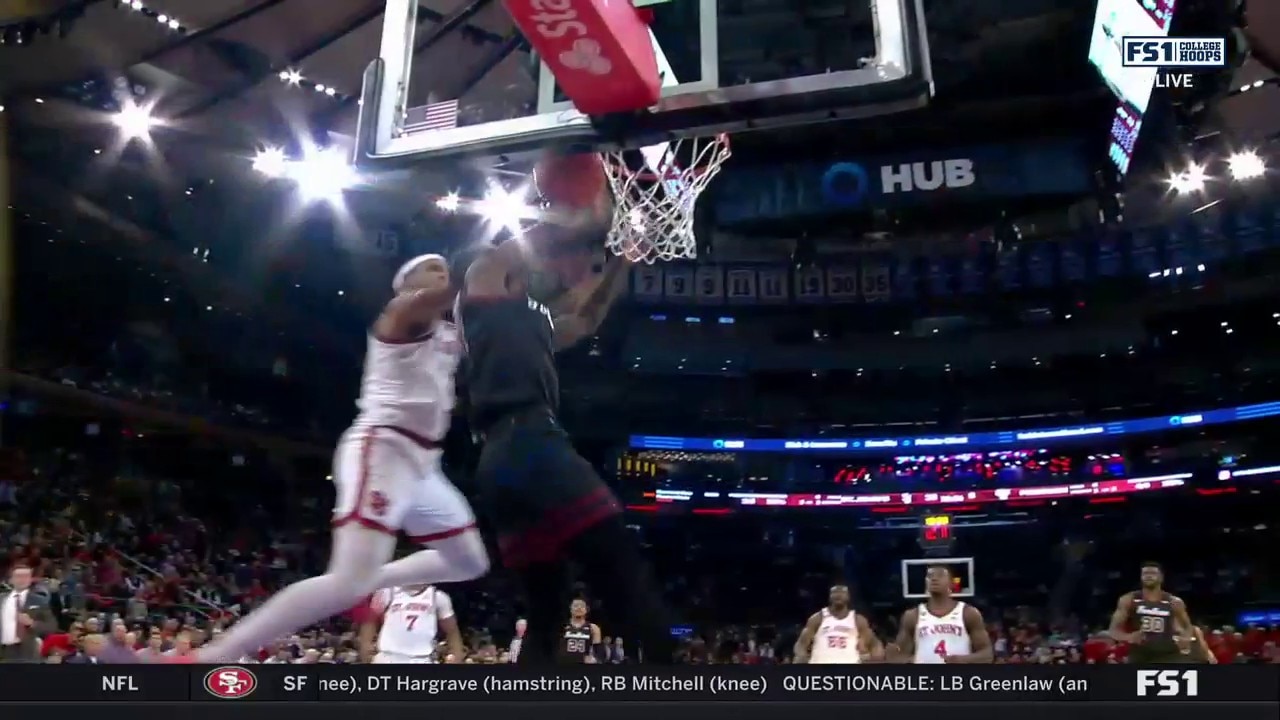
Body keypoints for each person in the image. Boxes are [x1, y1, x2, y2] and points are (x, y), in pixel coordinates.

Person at [188, 254, 489, 663]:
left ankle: (372, 576)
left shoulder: (449, 331)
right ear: (405, 285)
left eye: (443, 269)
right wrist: (495, 262)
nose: (441, 274)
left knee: (470, 562)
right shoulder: (399, 314)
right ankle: (209, 658)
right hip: (384, 449)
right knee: (346, 582)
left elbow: (541, 327)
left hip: (425, 464)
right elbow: (456, 291)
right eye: (430, 269)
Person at [454, 231, 674, 665]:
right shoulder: (482, 297)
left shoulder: (529, 320)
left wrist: (622, 262)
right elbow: (515, 251)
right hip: (530, 443)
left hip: (501, 459)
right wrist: (570, 206)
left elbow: (585, 317)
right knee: (619, 565)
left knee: (547, 608)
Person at [887, 565, 992, 664]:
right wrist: (907, 659)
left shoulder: (968, 613)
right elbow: (899, 656)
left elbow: (987, 655)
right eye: (930, 576)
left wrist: (963, 660)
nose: (934, 579)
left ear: (951, 582)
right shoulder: (912, 616)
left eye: (940, 575)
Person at [1108, 561, 1196, 663]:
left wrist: (1185, 638)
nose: (1149, 576)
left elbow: (1188, 627)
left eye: (1153, 573)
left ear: (1161, 577)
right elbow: (1113, 630)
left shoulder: (1174, 601)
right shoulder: (1129, 599)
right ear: (1141, 577)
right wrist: (1128, 637)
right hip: (1139, 652)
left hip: (1168, 654)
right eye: (1145, 573)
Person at [358, 584, 465, 663]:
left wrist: (456, 655)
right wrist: (365, 646)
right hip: (388, 656)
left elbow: (452, 631)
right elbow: (369, 621)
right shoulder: (387, 592)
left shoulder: (438, 597)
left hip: (422, 659)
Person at [794, 584, 882, 664]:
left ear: (848, 597)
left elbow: (874, 643)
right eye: (835, 593)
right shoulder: (818, 618)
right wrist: (801, 656)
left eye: (842, 593)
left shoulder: (858, 620)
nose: (838, 595)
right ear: (829, 597)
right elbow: (801, 644)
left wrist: (874, 658)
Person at [0, 564, 54, 663]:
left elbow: (52, 627)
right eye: (19, 576)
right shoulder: (1, 599)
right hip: (3, 652)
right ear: (11, 580)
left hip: (27, 654)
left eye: (26, 576)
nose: (22, 579)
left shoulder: (40, 601)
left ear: (30, 579)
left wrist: (32, 623)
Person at [558, 598, 603, 664]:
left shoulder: (593, 628)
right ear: (570, 609)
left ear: (586, 610)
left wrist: (594, 659)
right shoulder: (562, 626)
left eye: (582, 606)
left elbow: (598, 651)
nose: (579, 608)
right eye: (576, 605)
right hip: (563, 665)